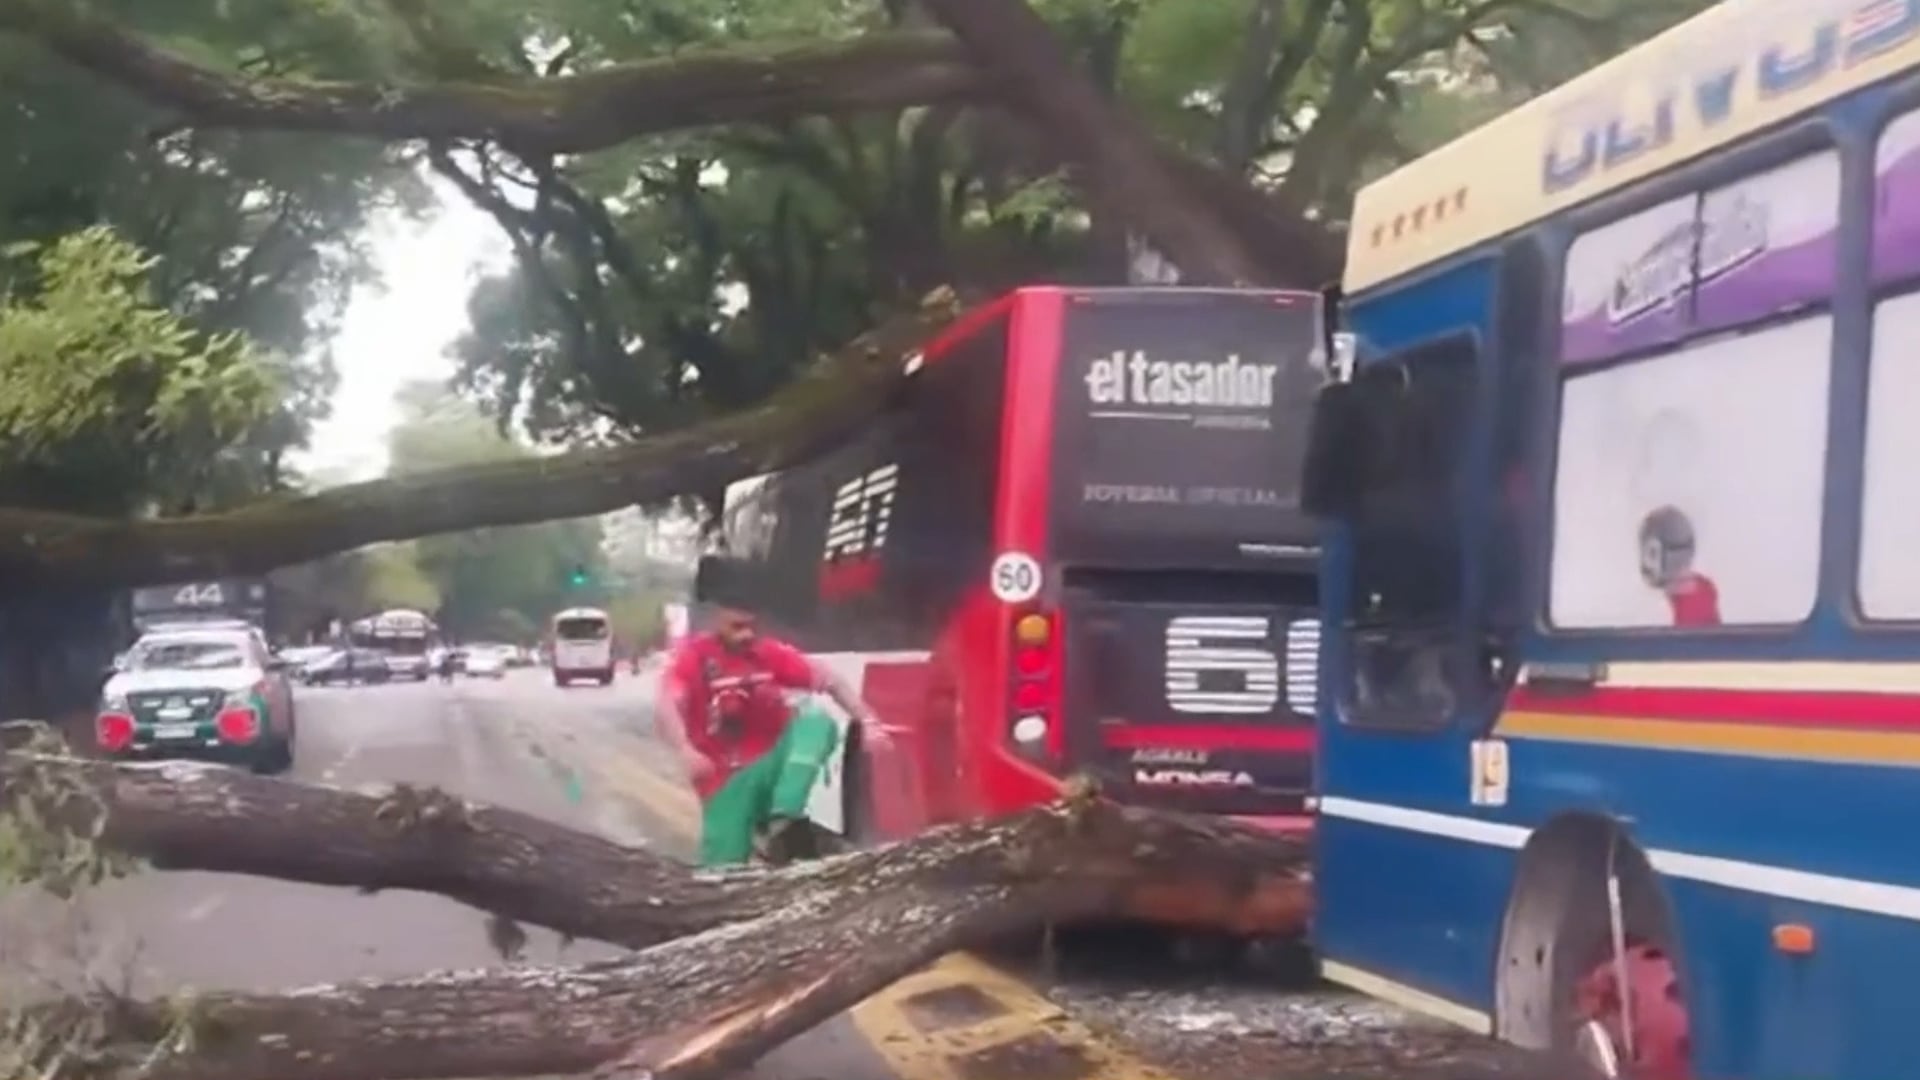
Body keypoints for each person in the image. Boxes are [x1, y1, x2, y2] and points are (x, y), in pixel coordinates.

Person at [655, 599, 893, 867]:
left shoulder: (769, 653)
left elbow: (833, 682)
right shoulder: (693, 658)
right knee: (723, 869)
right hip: (723, 778)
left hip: (768, 759)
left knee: (816, 721)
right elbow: (667, 704)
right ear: (715, 620)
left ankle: (783, 816)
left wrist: (869, 724)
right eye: (737, 627)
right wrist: (684, 749)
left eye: (752, 627)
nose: (747, 635)